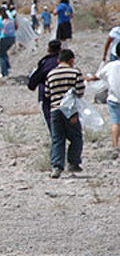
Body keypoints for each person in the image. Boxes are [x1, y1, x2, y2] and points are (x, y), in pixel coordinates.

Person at [45, 49, 85, 178]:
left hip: (55, 110)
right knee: (76, 137)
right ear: (71, 60)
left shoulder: (51, 74)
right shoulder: (75, 72)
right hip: (70, 111)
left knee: (57, 139)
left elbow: (47, 93)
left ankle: (56, 167)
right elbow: (80, 92)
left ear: (58, 60)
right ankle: (73, 163)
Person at [27, 39, 62, 133]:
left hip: (48, 95)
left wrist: (31, 85)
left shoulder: (46, 62)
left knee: (51, 120)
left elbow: (37, 75)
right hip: (64, 94)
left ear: (49, 49)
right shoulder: (64, 61)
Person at [94, 42, 120, 158]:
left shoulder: (111, 65)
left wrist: (87, 78)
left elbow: (98, 76)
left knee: (116, 123)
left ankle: (115, 146)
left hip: (114, 98)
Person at [0, 8, 17, 79]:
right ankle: (8, 67)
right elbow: (16, 27)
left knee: (1, 56)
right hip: (12, 38)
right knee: (4, 53)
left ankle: (4, 72)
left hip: (4, 38)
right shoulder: (11, 18)